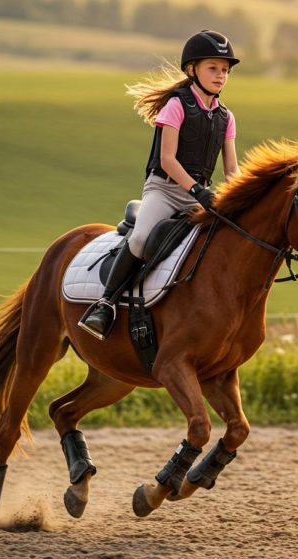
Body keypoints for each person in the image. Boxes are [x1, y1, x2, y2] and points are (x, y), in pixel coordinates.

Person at [78, 30, 241, 340]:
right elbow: (167, 159)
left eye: (225, 70)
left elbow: (232, 168)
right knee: (139, 240)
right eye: (213, 68)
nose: (221, 76)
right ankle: (104, 304)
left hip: (201, 196)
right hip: (164, 191)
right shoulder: (176, 106)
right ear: (192, 69)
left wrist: (238, 199)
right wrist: (196, 190)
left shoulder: (226, 117)